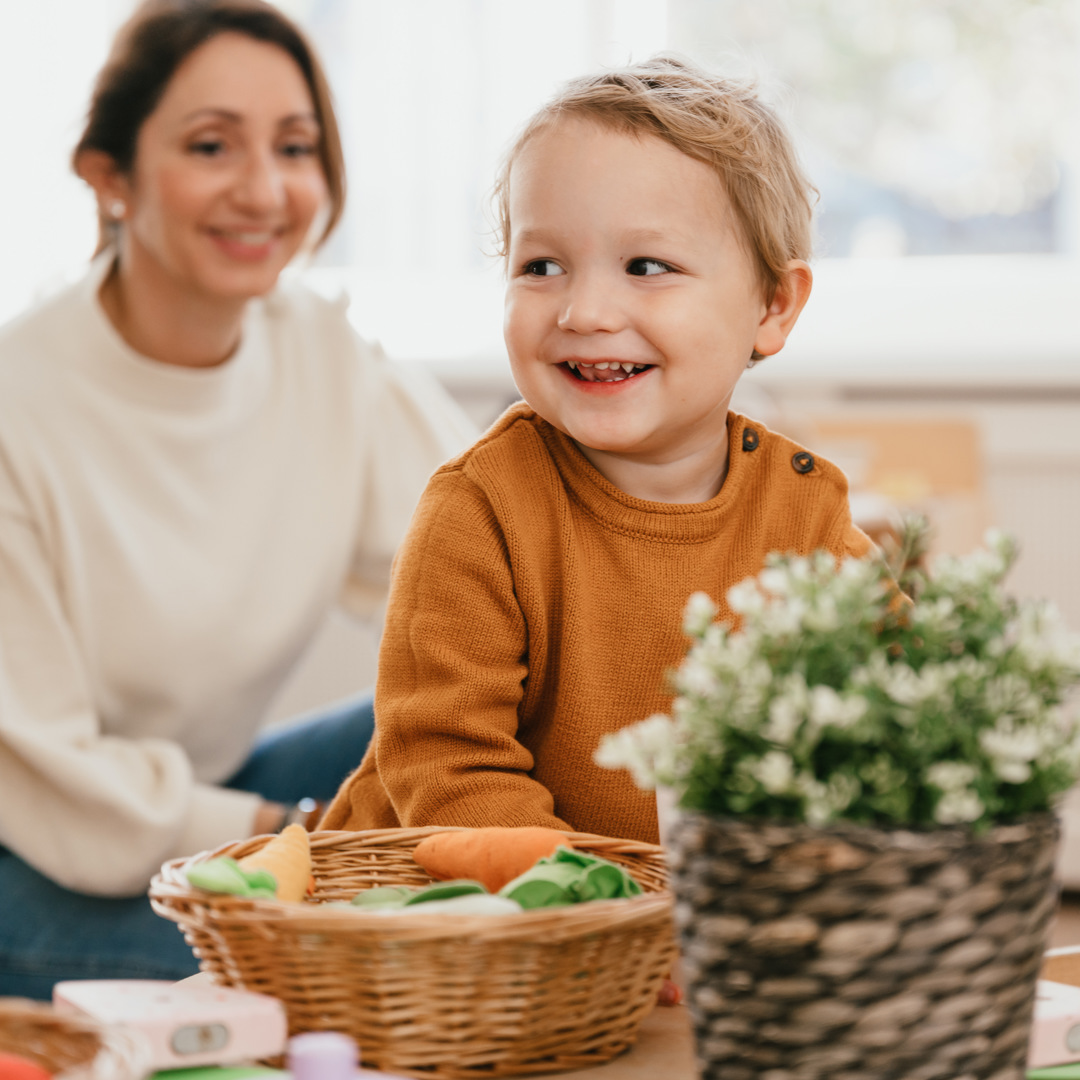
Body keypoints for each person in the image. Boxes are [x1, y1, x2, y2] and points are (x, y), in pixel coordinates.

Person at [0, 0, 473, 997]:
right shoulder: (18, 405)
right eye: (212, 145)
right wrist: (296, 835)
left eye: (295, 147)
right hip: (33, 847)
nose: (263, 191)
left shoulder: (322, 350)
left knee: (461, 707)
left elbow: (486, 546)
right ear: (110, 175)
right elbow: (50, 777)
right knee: (347, 970)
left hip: (199, 802)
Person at [322, 56, 873, 845]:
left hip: (678, 930)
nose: (584, 310)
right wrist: (599, 911)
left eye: (647, 267)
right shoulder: (480, 510)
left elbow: (895, 720)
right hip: (454, 920)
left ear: (773, 306)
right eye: (541, 267)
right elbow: (449, 766)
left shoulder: (806, 517)